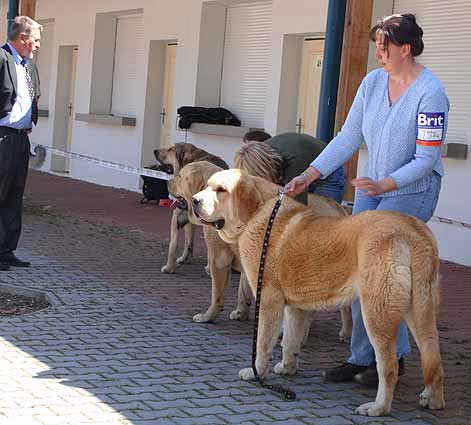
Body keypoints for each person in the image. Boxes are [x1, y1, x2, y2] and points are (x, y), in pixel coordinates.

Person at [285, 13, 449, 388]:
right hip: (370, 190)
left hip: (412, 191)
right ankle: (366, 357)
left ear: (405, 49)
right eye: (376, 43)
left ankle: (386, 359)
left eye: (384, 45)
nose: (378, 51)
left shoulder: (432, 93)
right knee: (358, 272)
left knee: (381, 277)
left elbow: (426, 160)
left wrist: (385, 183)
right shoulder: (372, 82)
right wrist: (309, 175)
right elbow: (346, 137)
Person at [0, 16, 42, 271]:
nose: (38, 45)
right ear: (23, 38)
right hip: (1, 136)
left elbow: (32, 96)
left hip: (20, 139)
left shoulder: (29, 66)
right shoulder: (2, 59)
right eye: (35, 40)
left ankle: (5, 250)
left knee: (14, 196)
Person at [236, 131, 346, 205]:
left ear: (265, 168)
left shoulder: (293, 162)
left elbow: (298, 206)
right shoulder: (262, 154)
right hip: (303, 168)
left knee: (322, 220)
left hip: (329, 174)